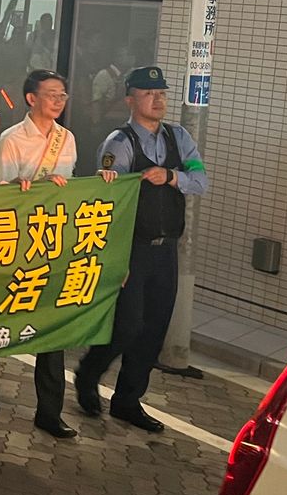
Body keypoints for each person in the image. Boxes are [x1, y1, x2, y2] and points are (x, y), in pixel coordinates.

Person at [0, 70, 116, 439]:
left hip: (52, 243)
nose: (58, 100)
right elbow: (0, 195)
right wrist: (33, 188)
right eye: (51, 94)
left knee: (51, 329)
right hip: (14, 244)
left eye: (63, 95)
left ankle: (49, 412)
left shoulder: (67, 138)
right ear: (31, 98)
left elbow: (67, 189)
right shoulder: (11, 139)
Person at [75, 66, 208, 433]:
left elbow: (200, 180)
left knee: (153, 329)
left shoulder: (179, 138)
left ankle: (128, 401)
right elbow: (108, 197)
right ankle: (89, 373)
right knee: (127, 326)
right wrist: (114, 257)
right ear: (130, 99)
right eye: (150, 93)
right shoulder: (118, 143)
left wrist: (172, 177)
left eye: (162, 92)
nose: (159, 99)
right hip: (131, 249)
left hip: (166, 252)